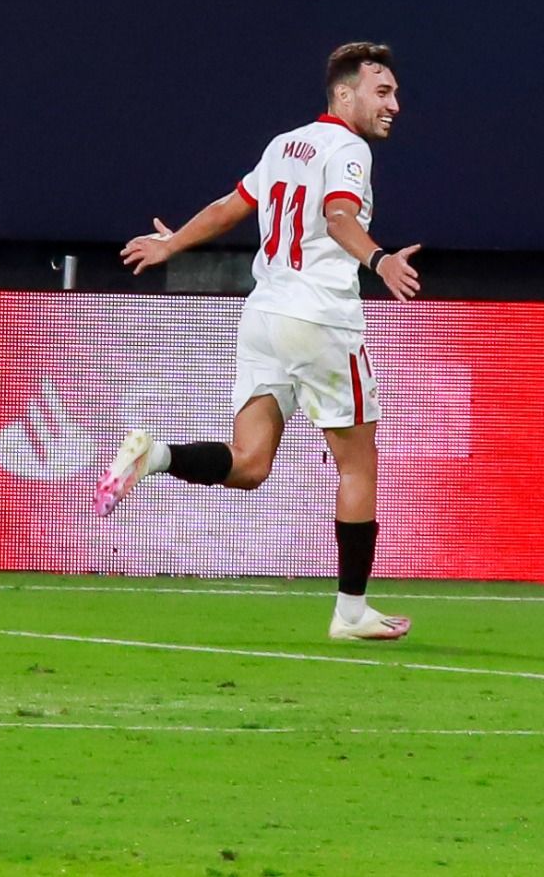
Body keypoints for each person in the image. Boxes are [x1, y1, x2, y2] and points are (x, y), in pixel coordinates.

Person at [95, 42, 422, 641]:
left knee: (249, 465)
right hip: (320, 319)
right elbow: (341, 217)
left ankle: (156, 456)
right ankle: (350, 613)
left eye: (395, 92)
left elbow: (230, 206)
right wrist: (379, 260)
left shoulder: (283, 144)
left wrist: (170, 245)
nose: (394, 104)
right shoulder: (348, 149)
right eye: (382, 91)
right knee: (359, 466)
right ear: (344, 94)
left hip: (264, 316)